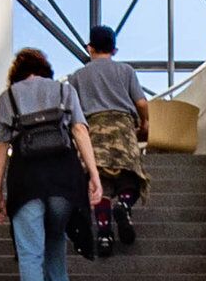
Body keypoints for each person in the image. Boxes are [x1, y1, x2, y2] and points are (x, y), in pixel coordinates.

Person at [0, 48, 100, 281]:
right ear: (45, 69)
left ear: (16, 74)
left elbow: (1, 148)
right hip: (65, 179)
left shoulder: (7, 98)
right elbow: (79, 131)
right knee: (55, 233)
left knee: (29, 251)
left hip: (26, 181)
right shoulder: (64, 91)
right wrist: (94, 175)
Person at [64, 25, 152, 255]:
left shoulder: (77, 77)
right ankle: (123, 205)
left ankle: (104, 235)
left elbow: (70, 112)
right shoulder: (126, 71)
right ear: (115, 49)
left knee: (98, 184)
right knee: (130, 178)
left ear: (89, 47)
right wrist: (145, 123)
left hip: (93, 130)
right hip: (123, 128)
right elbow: (141, 103)